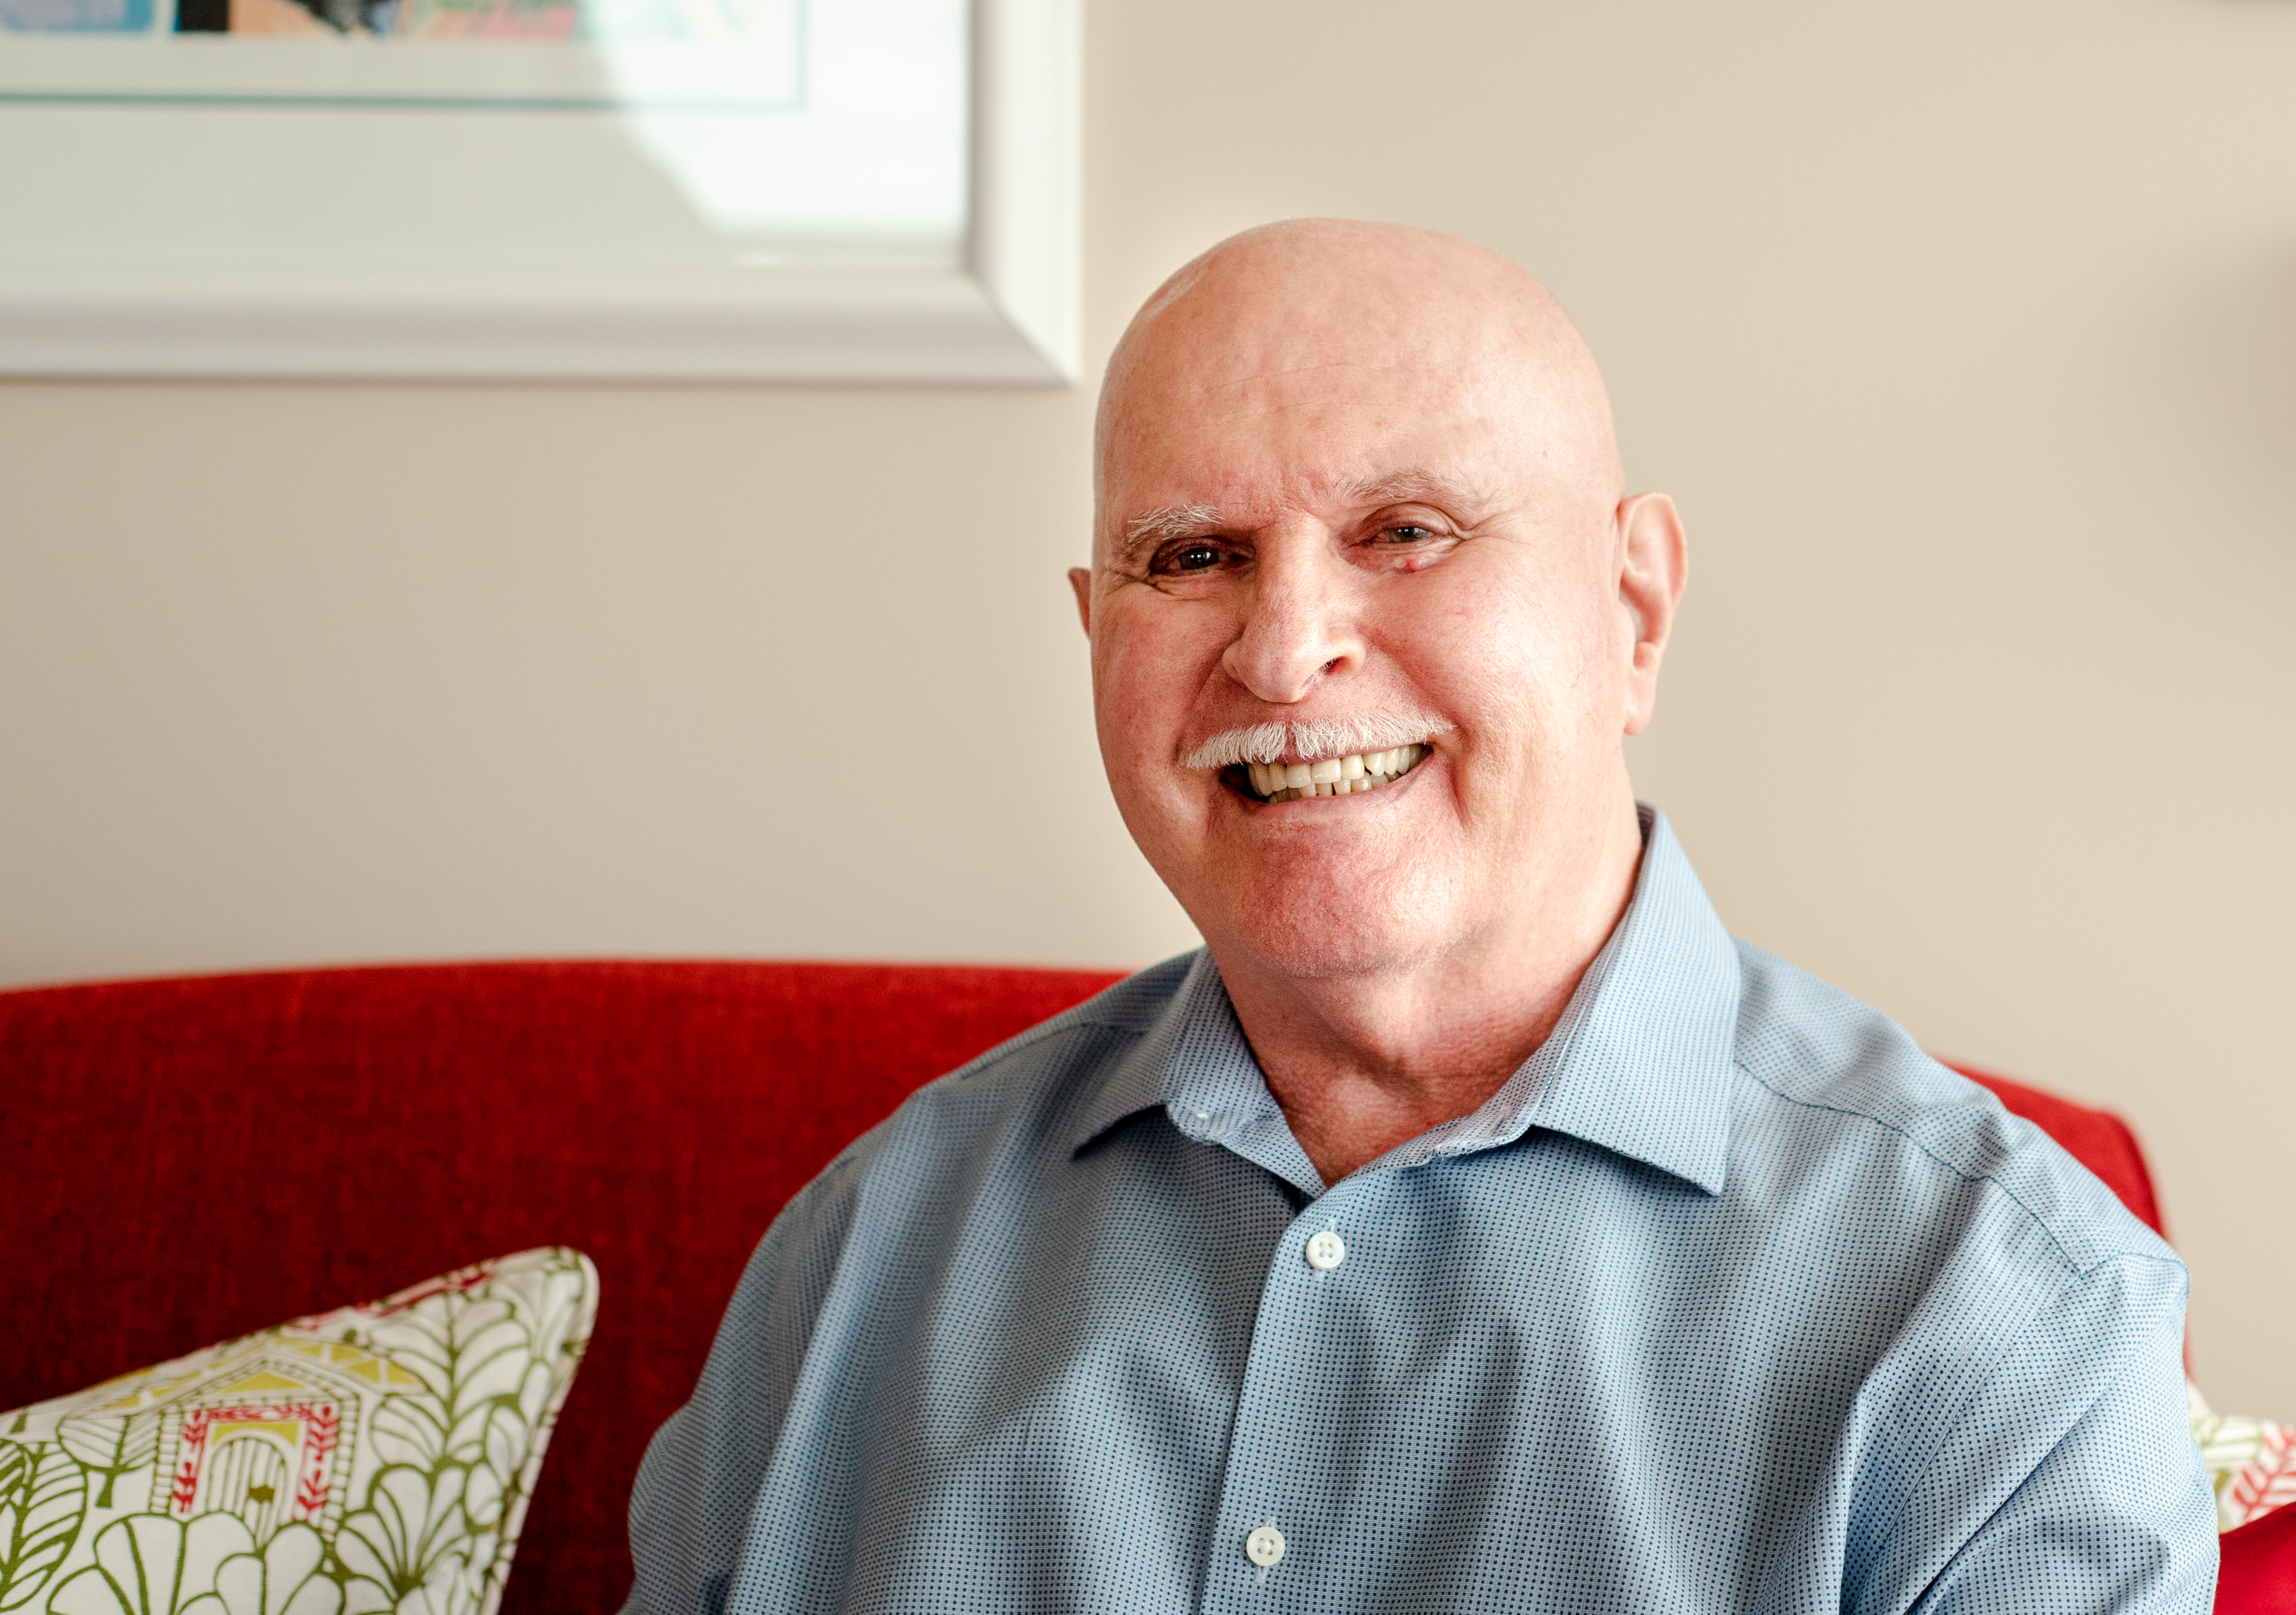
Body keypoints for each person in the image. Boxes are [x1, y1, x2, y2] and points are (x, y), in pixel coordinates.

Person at [622, 220, 2216, 1613]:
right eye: (1194, 557)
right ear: (1095, 632)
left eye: (1408, 532)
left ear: (1634, 611)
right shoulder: (866, 1253)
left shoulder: (2009, 1320)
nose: (1284, 648)